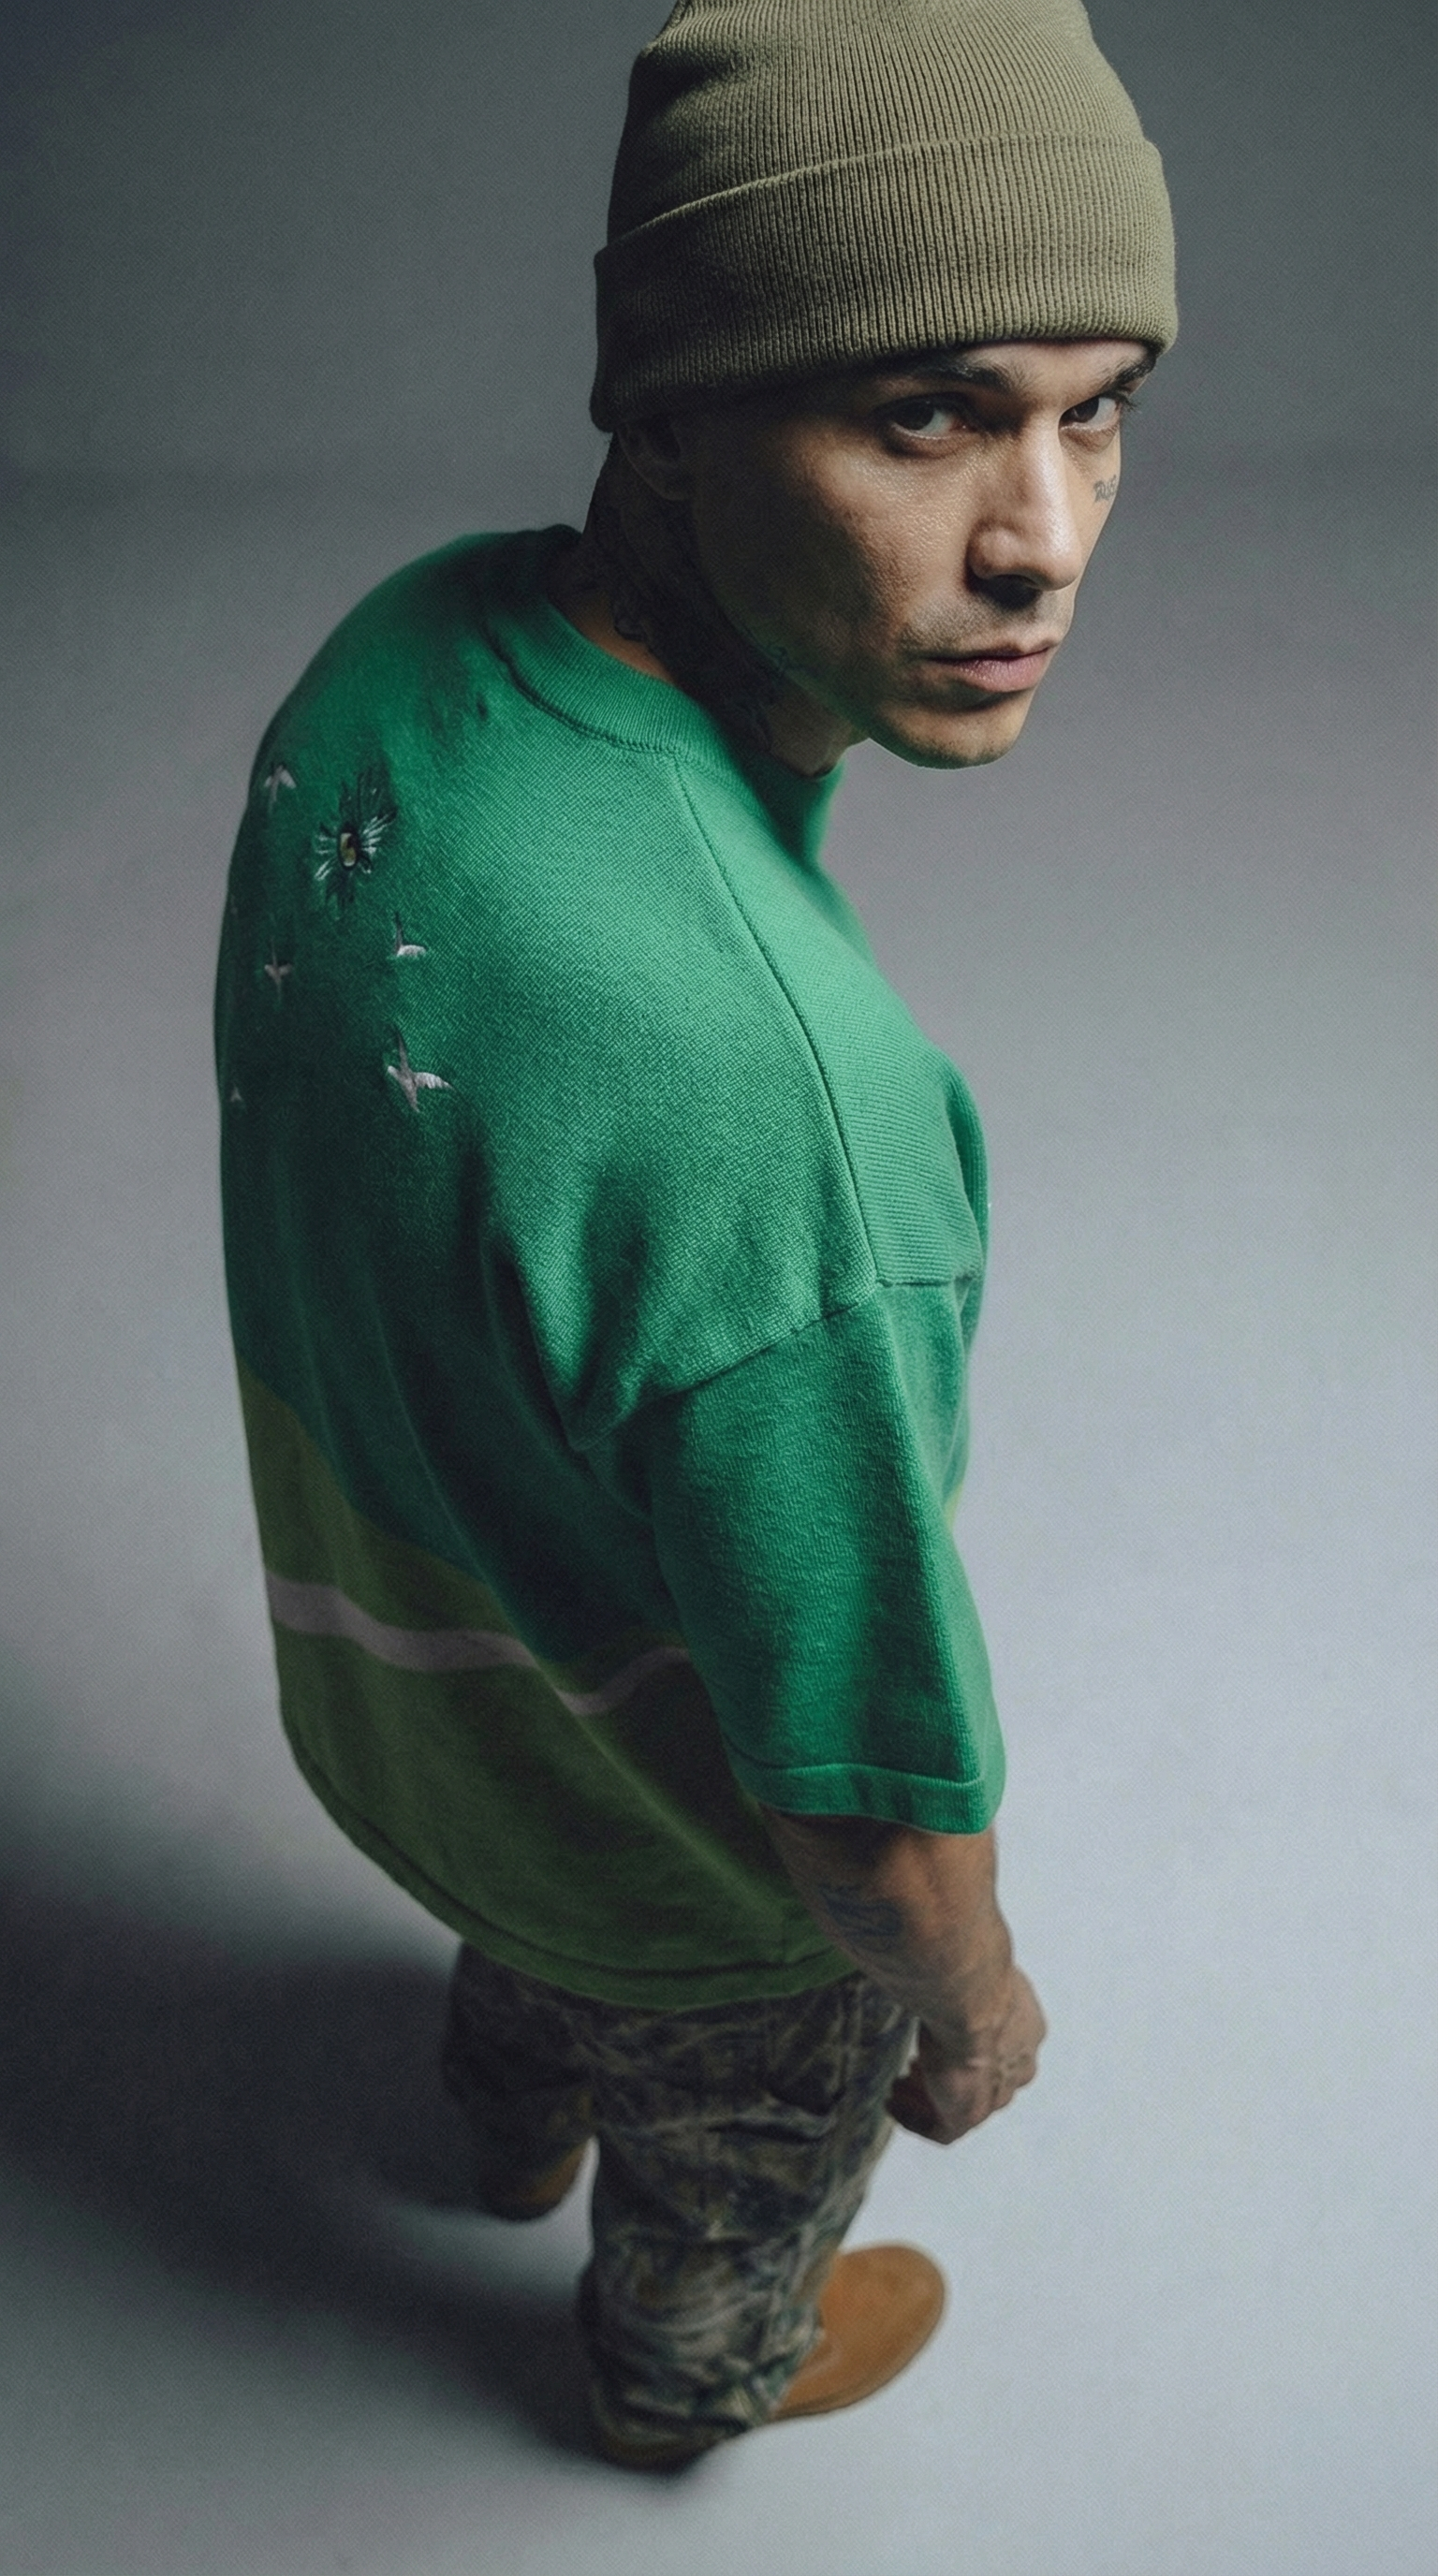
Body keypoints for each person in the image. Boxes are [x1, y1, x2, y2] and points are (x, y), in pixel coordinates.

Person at [214, 0, 1175, 2470]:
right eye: (926, 414)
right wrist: (968, 2005)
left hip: (426, 1733)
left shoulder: (399, 666)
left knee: (537, 1960)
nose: (1047, 536)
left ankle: (500, 2121)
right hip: (700, 1892)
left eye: (1098, 411)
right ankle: (679, 2379)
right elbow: (859, 1797)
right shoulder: (794, 1126)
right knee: (749, 2129)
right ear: (669, 405)